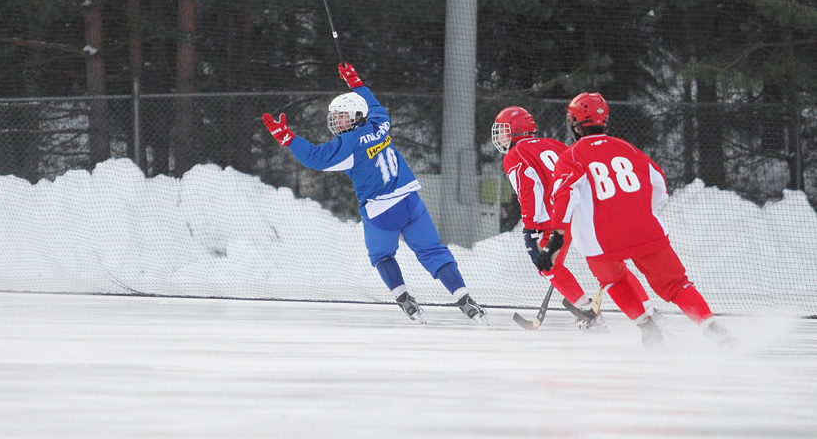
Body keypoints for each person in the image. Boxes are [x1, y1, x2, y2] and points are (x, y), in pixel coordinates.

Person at [262, 62, 487, 324]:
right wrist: (357, 84)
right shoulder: (380, 124)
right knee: (433, 251)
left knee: (381, 256)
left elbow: (315, 158)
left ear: (357, 115)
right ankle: (465, 300)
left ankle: (405, 300)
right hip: (410, 201)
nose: (336, 122)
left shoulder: (349, 144)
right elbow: (375, 106)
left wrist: (288, 138)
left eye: (341, 117)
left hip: (381, 212)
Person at [538, 92, 734, 349]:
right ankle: (711, 326)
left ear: (574, 122)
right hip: (645, 231)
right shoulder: (627, 148)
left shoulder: (571, 156)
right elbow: (659, 188)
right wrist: (635, 209)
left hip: (602, 242)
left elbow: (564, 197)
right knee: (676, 284)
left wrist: (557, 238)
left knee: (614, 281)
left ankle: (647, 327)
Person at [492, 106, 607, 330]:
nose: (501, 136)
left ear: (516, 131)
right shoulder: (553, 143)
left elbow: (529, 190)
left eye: (505, 130)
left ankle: (588, 312)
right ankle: (638, 309)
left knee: (546, 264)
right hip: (577, 212)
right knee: (597, 261)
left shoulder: (514, 156)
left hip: (550, 221)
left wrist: (530, 226)